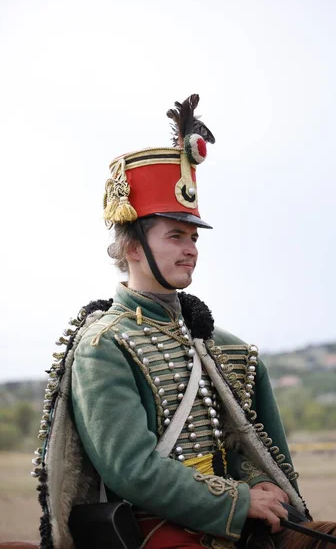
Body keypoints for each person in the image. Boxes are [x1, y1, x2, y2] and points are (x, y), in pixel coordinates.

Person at [33, 95, 310, 549]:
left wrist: (263, 486)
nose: (191, 249)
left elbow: (263, 447)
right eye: (175, 235)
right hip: (155, 532)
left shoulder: (229, 347)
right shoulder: (106, 345)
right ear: (133, 247)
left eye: (194, 237)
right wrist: (236, 504)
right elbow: (131, 467)